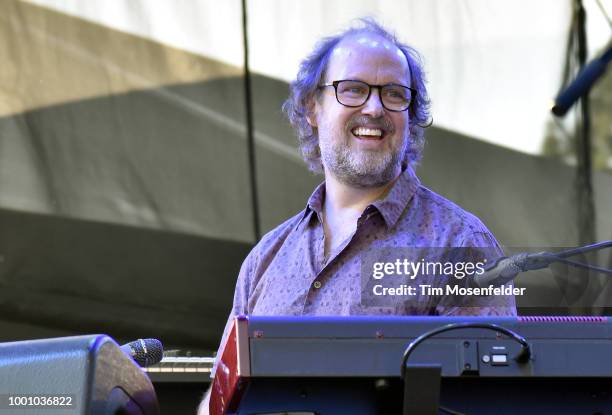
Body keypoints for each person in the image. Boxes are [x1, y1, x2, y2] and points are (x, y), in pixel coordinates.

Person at [198, 18, 515, 414]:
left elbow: (493, 401)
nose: (374, 108)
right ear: (313, 107)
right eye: (353, 90)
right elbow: (217, 401)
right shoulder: (265, 260)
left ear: (411, 115)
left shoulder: (460, 244)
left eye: (395, 95)